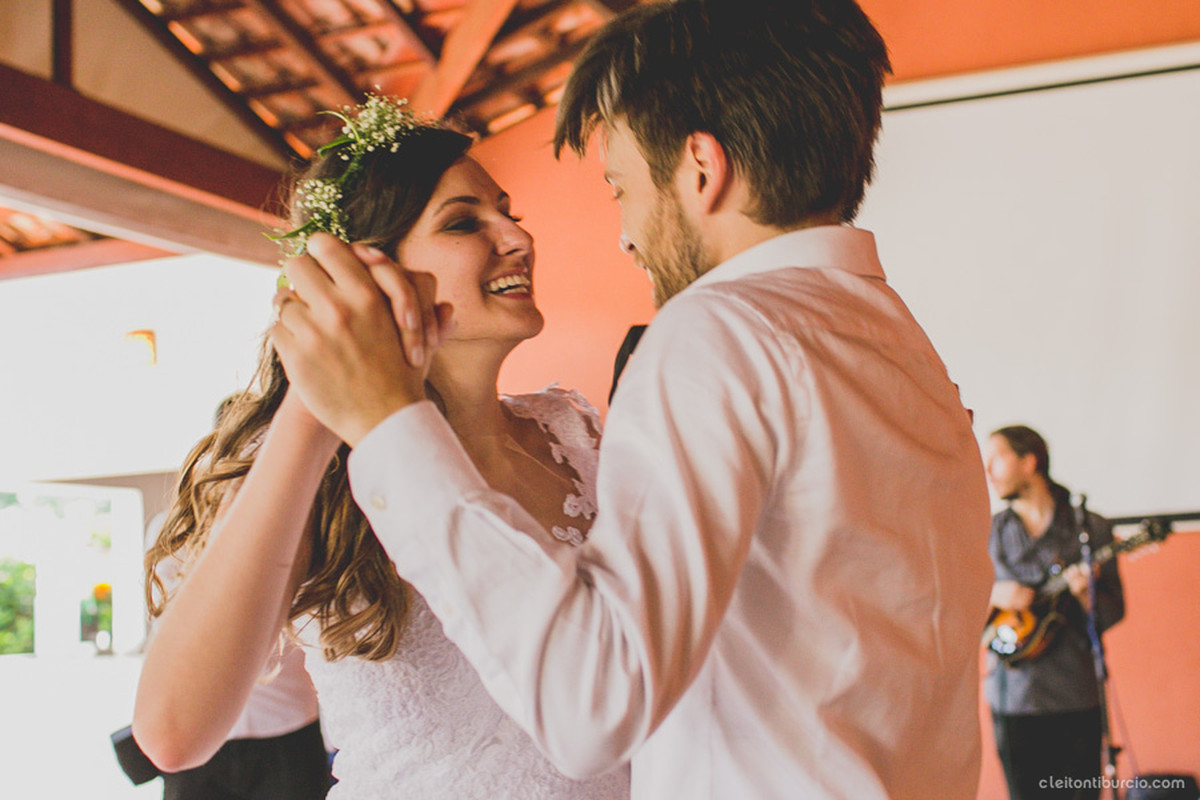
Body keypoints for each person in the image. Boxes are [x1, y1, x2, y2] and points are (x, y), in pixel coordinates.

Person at [270, 2, 994, 798]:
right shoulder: (898, 342)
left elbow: (589, 707)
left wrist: (387, 424)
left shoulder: (715, 332)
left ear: (700, 168)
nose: (624, 235)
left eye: (621, 188)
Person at [133, 96, 629, 800]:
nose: (517, 238)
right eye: (464, 222)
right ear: (368, 271)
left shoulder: (576, 433)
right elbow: (173, 734)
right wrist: (317, 404)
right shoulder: (328, 470)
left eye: (509, 212)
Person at [983, 425, 1125, 800]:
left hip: (1074, 696)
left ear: (1029, 462)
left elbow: (1113, 613)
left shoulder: (1089, 528)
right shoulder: (989, 530)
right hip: (1012, 697)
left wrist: (1085, 595)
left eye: (997, 458)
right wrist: (994, 594)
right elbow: (958, 604)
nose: (987, 468)